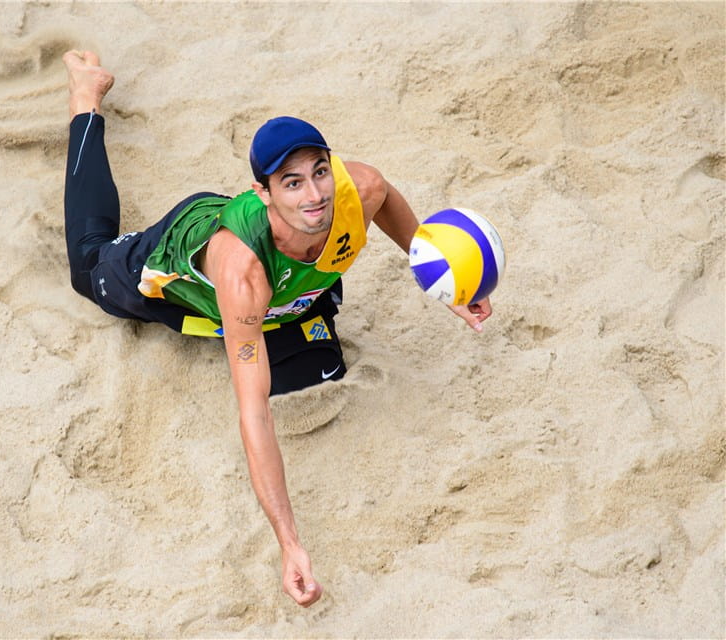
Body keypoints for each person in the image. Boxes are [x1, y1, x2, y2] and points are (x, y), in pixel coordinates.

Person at [62, 50, 493, 607]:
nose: (313, 195)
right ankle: (85, 97)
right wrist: (290, 544)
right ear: (264, 192)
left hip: (292, 294)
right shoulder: (241, 272)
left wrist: (447, 288)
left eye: (318, 173)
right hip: (179, 271)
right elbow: (253, 409)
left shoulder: (354, 190)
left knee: (321, 372)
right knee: (86, 265)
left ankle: (302, 304)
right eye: (291, 183)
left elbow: (385, 201)